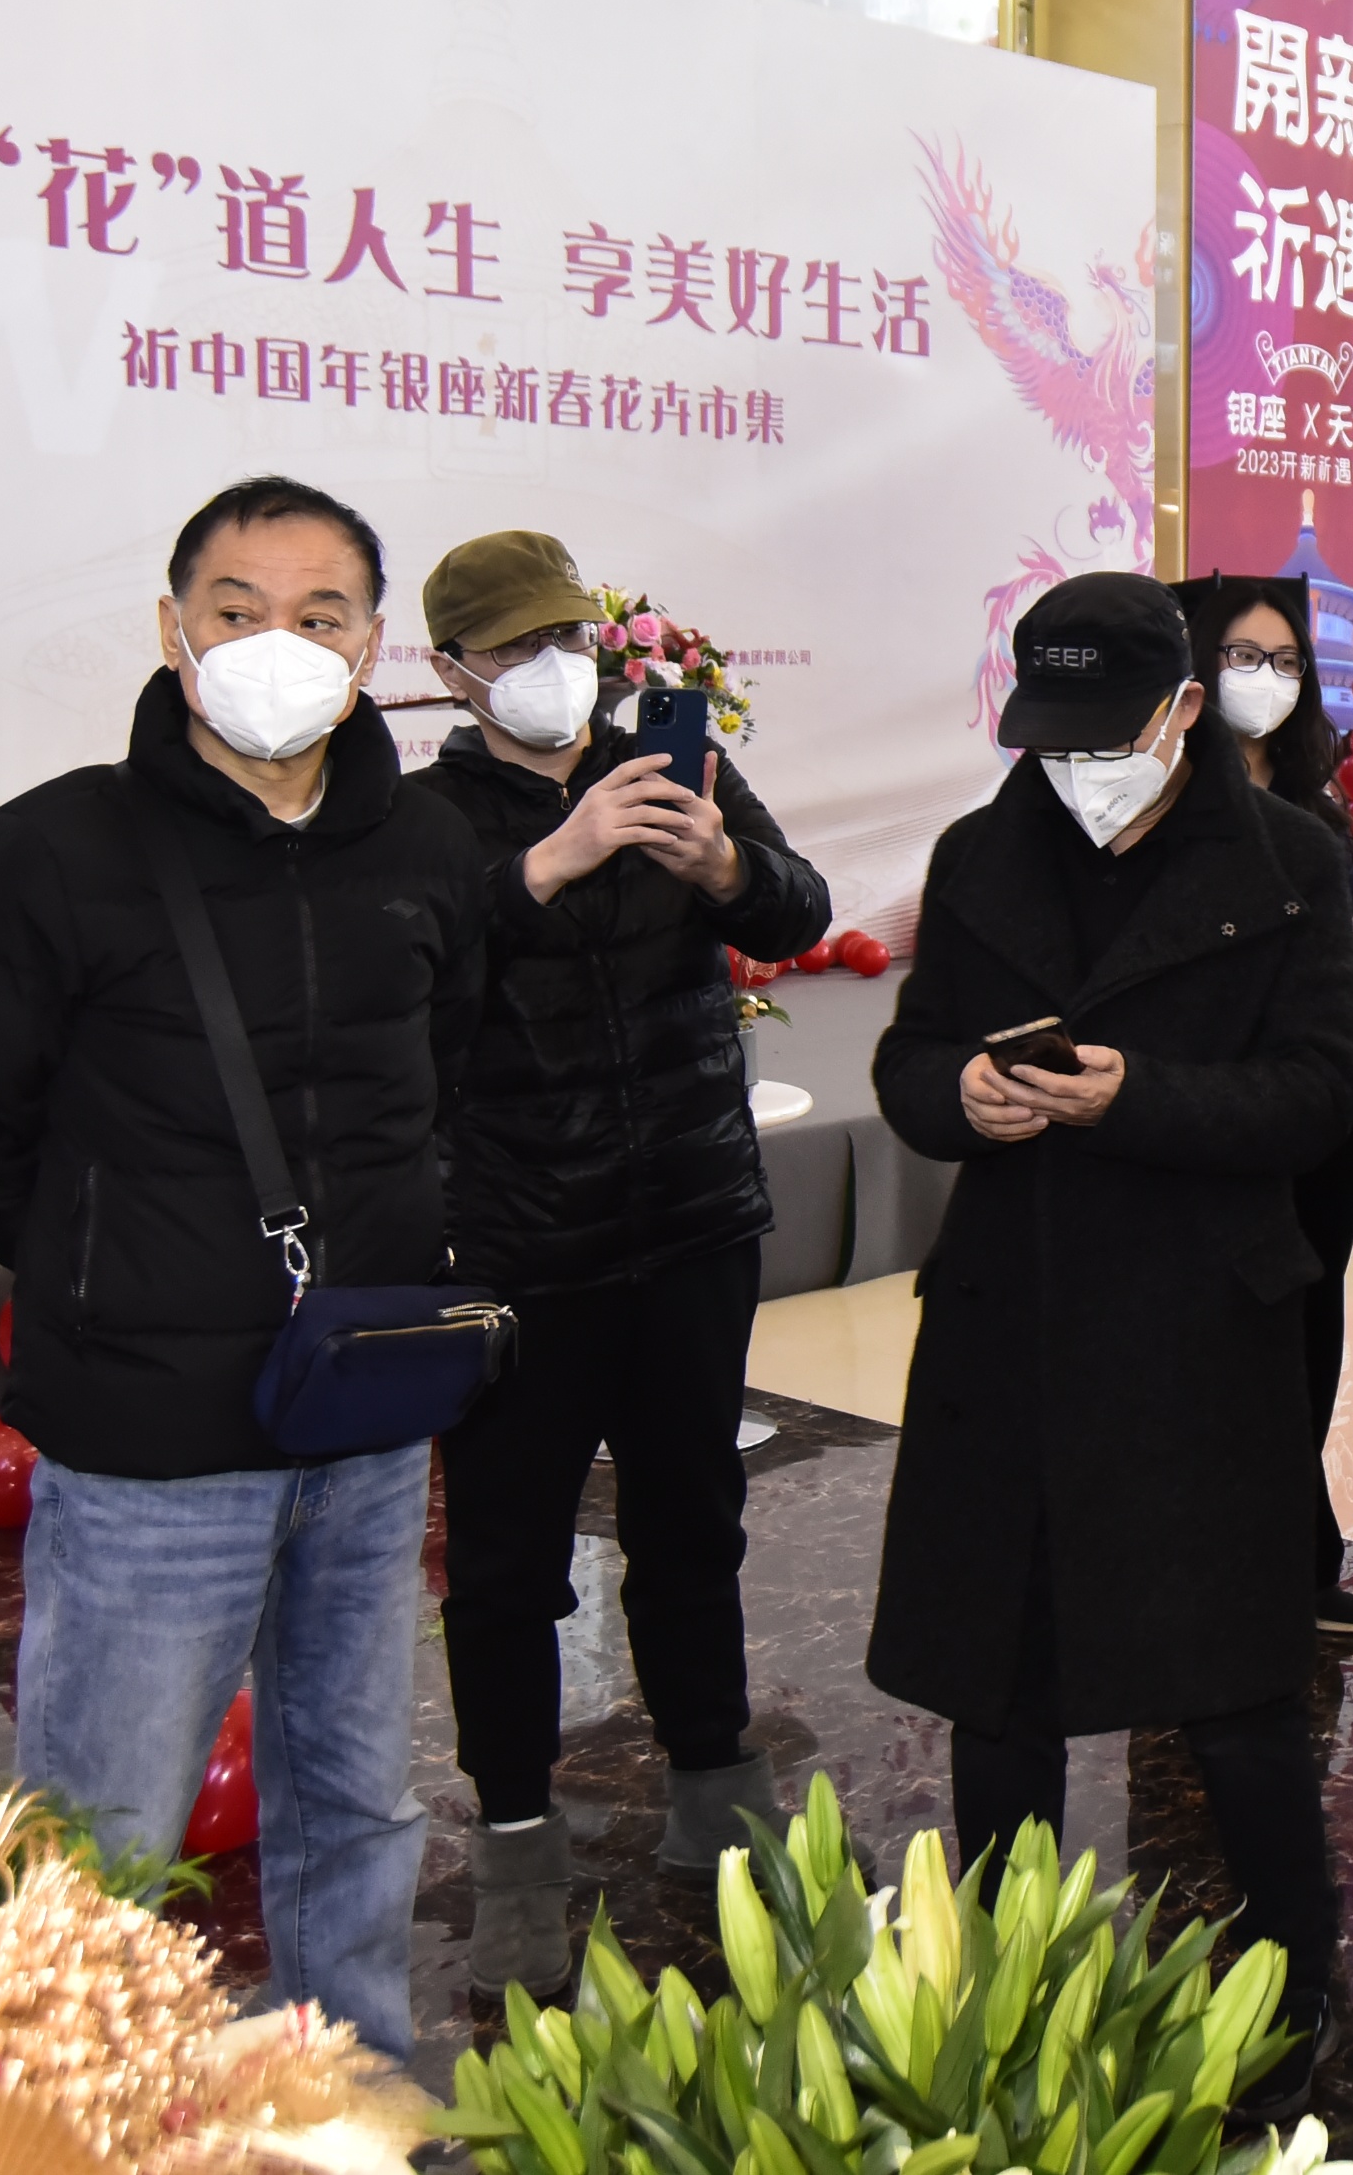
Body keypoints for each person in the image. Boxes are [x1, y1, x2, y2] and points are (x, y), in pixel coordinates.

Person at [0, 476, 487, 2059]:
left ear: (371, 646)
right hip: (149, 1441)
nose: (276, 643)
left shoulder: (427, 845)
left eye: (318, 614)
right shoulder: (53, 849)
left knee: (356, 1795)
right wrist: (114, 1266)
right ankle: (65, 2121)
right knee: (102, 1827)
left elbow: (447, 1072)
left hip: (364, 1410)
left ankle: (346, 2089)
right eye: (237, 610)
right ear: (173, 629)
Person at [864, 573, 1353, 2115]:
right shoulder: (979, 854)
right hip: (1008, 1322)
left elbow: (1312, 1098)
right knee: (999, 1686)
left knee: (1235, 1696)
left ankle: (1293, 1990)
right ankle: (1000, 1988)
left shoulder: (1287, 860)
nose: (1079, 767)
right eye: (1053, 738)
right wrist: (963, 1096)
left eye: (1106, 735)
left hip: (1196, 1332)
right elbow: (909, 1060)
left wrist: (1130, 1095)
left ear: (1180, 712)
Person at [402, 531, 834, 1994]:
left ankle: (715, 1779)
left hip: (692, 1215)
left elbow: (797, 907)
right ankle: (516, 1832)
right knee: (508, 1555)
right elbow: (406, 979)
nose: (553, 670)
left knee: (692, 1515)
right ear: (452, 670)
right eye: (515, 649)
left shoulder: (674, 765)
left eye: (568, 640)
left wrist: (725, 863)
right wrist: (549, 861)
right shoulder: (422, 821)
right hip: (520, 1242)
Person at [1177, 571, 1353, 1639]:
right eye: (1241, 657)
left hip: (1315, 1118)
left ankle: (1299, 1557)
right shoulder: (1164, 798)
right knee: (1211, 1343)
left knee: (1310, 1332)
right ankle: (1210, 1559)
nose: (1264, 678)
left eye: (1284, 661)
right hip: (1208, 1112)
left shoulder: (1320, 800)